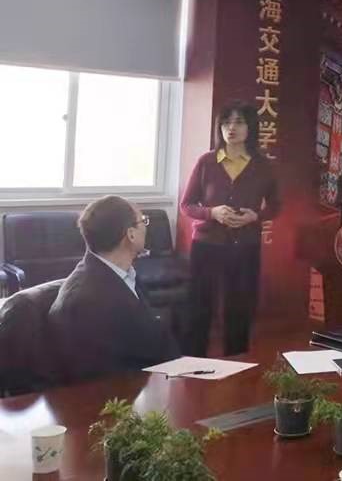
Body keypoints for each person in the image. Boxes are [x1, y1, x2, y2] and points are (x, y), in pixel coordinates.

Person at [181, 101, 280, 356]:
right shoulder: (207, 161)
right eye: (226, 123)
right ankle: (192, 362)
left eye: (238, 122)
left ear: (251, 127)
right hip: (207, 245)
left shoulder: (263, 165)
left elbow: (276, 206)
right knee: (199, 307)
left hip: (246, 246)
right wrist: (211, 213)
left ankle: (236, 363)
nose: (231, 128)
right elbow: (186, 205)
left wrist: (255, 217)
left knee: (240, 308)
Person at [48, 195, 180, 383]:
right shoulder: (90, 301)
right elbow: (108, 375)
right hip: (124, 393)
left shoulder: (121, 274)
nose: (146, 227)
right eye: (143, 221)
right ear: (131, 235)